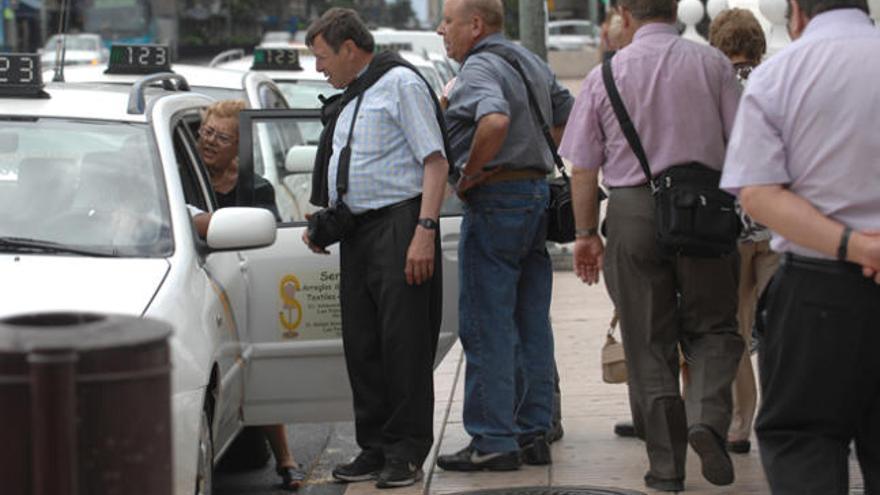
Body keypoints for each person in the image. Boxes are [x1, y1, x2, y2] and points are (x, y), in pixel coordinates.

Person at [559, 0, 744, 490]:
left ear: (624, 12)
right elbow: (744, 142)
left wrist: (584, 235)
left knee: (647, 339)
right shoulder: (713, 64)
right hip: (705, 207)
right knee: (715, 328)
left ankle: (666, 469)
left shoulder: (606, 76)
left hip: (633, 210)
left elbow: (583, 167)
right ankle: (705, 418)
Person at [720, 0, 880, 490]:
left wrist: (856, 245)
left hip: (818, 287)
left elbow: (758, 192)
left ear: (796, 12)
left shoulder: (779, 75)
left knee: (804, 438)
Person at [301, 8, 450, 489]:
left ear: (349, 48)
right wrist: (326, 222)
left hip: (399, 224)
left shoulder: (400, 85)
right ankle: (376, 446)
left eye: (323, 57)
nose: (319, 68)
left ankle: (406, 450)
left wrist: (424, 229)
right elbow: (355, 171)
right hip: (360, 231)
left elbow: (435, 161)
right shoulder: (355, 94)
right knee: (363, 344)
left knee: (402, 342)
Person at [434, 0, 574, 472]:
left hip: (496, 199)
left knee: (486, 322)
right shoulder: (526, 58)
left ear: (475, 25)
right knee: (531, 319)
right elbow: (565, 111)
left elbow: (493, 120)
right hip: (535, 196)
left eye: (448, 22)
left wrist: (471, 172)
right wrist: (535, 152)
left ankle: (493, 437)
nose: (441, 31)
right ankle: (534, 430)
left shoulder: (477, 68)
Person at [193, 99, 304, 491]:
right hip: (203, 286)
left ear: (239, 144)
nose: (208, 142)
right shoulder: (186, 178)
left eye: (220, 137)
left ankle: (286, 460)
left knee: (259, 375)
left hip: (246, 287)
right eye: (205, 132)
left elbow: (269, 239)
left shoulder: (255, 188)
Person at [707, 7, 777, 456]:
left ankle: (739, 424)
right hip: (778, 222)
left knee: (735, 326)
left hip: (731, 225)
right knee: (781, 324)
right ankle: (785, 411)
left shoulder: (716, 90)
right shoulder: (775, 84)